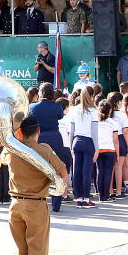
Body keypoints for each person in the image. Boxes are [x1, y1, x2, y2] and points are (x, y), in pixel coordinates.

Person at [1, 116, 70, 255]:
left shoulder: (11, 150)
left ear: (22, 132)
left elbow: (3, 156)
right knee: (37, 251)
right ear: (38, 132)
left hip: (15, 204)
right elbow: (64, 176)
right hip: (35, 205)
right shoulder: (45, 150)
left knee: (20, 250)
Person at [30, 84, 70, 212]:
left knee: (37, 168)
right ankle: (56, 202)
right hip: (55, 138)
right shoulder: (57, 106)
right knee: (57, 169)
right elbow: (60, 116)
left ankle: (38, 199)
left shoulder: (33, 107)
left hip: (39, 138)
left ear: (41, 92)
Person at [68, 87, 98, 208]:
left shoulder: (74, 110)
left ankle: (78, 198)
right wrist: (97, 148)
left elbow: (71, 131)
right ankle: (86, 198)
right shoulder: (93, 111)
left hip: (76, 141)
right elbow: (95, 132)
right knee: (87, 171)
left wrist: (71, 146)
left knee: (76, 171)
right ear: (92, 96)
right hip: (88, 141)